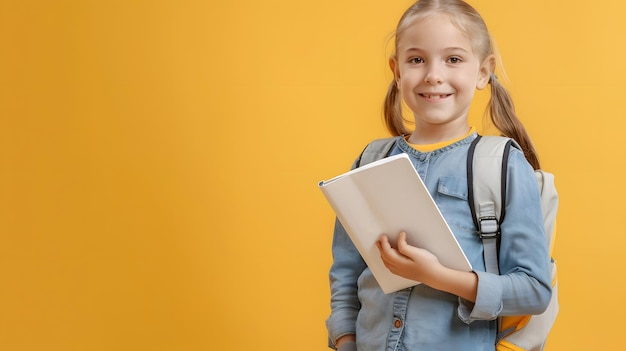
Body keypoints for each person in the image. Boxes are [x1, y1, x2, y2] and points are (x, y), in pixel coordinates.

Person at [325, 1, 552, 350]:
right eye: (416, 60)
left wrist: (437, 277)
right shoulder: (370, 160)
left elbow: (534, 291)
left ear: (482, 72)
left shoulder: (502, 164)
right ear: (397, 71)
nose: (433, 74)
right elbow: (346, 272)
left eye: (454, 59)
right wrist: (344, 340)